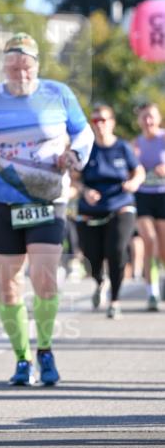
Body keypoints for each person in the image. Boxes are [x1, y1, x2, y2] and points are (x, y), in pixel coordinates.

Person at [0, 33, 94, 386]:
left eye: (26, 65)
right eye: (13, 66)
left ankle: (45, 350)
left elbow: (84, 134)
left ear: (36, 66)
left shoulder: (58, 93)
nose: (19, 72)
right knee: (8, 285)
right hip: (5, 200)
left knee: (45, 277)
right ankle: (21, 358)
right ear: (3, 67)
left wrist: (75, 155)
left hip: (49, 198)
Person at [75, 105, 144, 319]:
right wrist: (85, 191)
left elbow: (138, 171)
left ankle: (114, 300)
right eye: (95, 121)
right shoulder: (86, 149)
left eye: (104, 120)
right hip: (91, 209)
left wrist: (134, 182)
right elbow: (75, 180)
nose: (100, 125)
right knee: (92, 256)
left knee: (116, 250)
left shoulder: (122, 147)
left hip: (120, 205)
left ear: (112, 122)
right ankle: (99, 281)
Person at [134, 102, 165, 311]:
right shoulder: (135, 143)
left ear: (159, 118)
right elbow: (129, 168)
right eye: (144, 117)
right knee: (149, 241)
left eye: (151, 116)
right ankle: (151, 291)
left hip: (163, 195)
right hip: (143, 196)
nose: (148, 121)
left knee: (163, 248)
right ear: (139, 121)